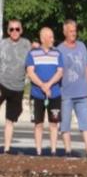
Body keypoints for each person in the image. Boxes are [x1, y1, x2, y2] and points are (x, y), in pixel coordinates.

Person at [58, 19, 87, 158]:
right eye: (71, 31)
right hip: (66, 93)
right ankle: (68, 151)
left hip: (82, 92)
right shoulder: (60, 49)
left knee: (85, 123)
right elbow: (58, 71)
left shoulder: (82, 46)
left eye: (75, 31)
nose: (73, 34)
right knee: (65, 124)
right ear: (65, 32)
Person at [25, 27, 62, 156]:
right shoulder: (33, 54)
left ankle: (53, 151)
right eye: (50, 37)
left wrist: (49, 85)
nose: (53, 39)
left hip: (54, 94)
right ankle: (38, 151)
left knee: (54, 123)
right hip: (37, 95)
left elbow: (60, 72)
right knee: (38, 124)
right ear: (42, 39)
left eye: (53, 36)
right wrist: (42, 85)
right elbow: (30, 72)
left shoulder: (57, 53)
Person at [1, 19, 31, 154]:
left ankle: (6, 149)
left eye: (17, 29)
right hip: (2, 83)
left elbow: (32, 62)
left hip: (18, 87)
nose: (14, 31)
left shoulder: (26, 44)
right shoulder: (2, 44)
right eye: (11, 29)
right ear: (8, 31)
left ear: (21, 30)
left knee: (10, 120)